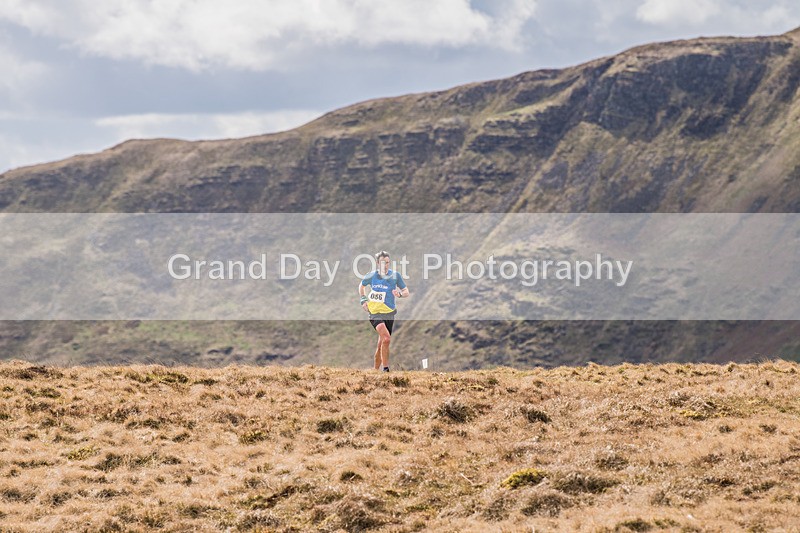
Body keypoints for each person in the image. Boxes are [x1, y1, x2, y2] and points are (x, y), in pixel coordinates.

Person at [359, 250, 409, 372]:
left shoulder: (395, 276)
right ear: (377, 263)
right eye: (382, 263)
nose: (385, 265)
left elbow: (406, 291)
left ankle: (375, 371)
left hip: (389, 313)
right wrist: (363, 300)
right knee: (386, 338)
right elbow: (361, 286)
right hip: (375, 313)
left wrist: (400, 294)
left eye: (387, 263)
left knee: (381, 344)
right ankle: (385, 369)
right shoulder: (371, 276)